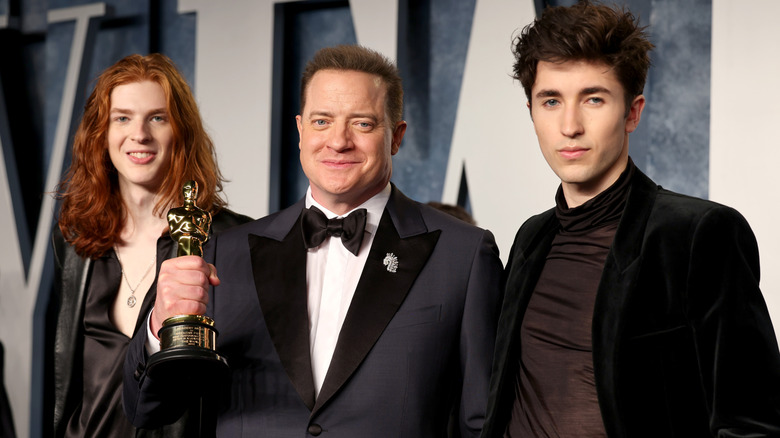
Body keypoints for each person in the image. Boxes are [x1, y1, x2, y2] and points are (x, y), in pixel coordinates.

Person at [124, 45, 503, 437]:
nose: (338, 142)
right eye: (322, 121)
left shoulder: (464, 255)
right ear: (301, 130)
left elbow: (483, 424)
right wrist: (158, 327)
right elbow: (147, 408)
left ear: (396, 136)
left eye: (363, 124)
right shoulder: (226, 251)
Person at [482, 2, 780, 437]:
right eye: (551, 101)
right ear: (532, 113)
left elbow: (752, 420)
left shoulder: (697, 234)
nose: (570, 125)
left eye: (594, 99)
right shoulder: (532, 237)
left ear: (632, 112)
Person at [50, 53, 251, 438]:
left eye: (157, 118)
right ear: (101, 133)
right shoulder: (77, 243)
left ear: (181, 131)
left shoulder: (232, 241)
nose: (138, 134)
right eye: (122, 118)